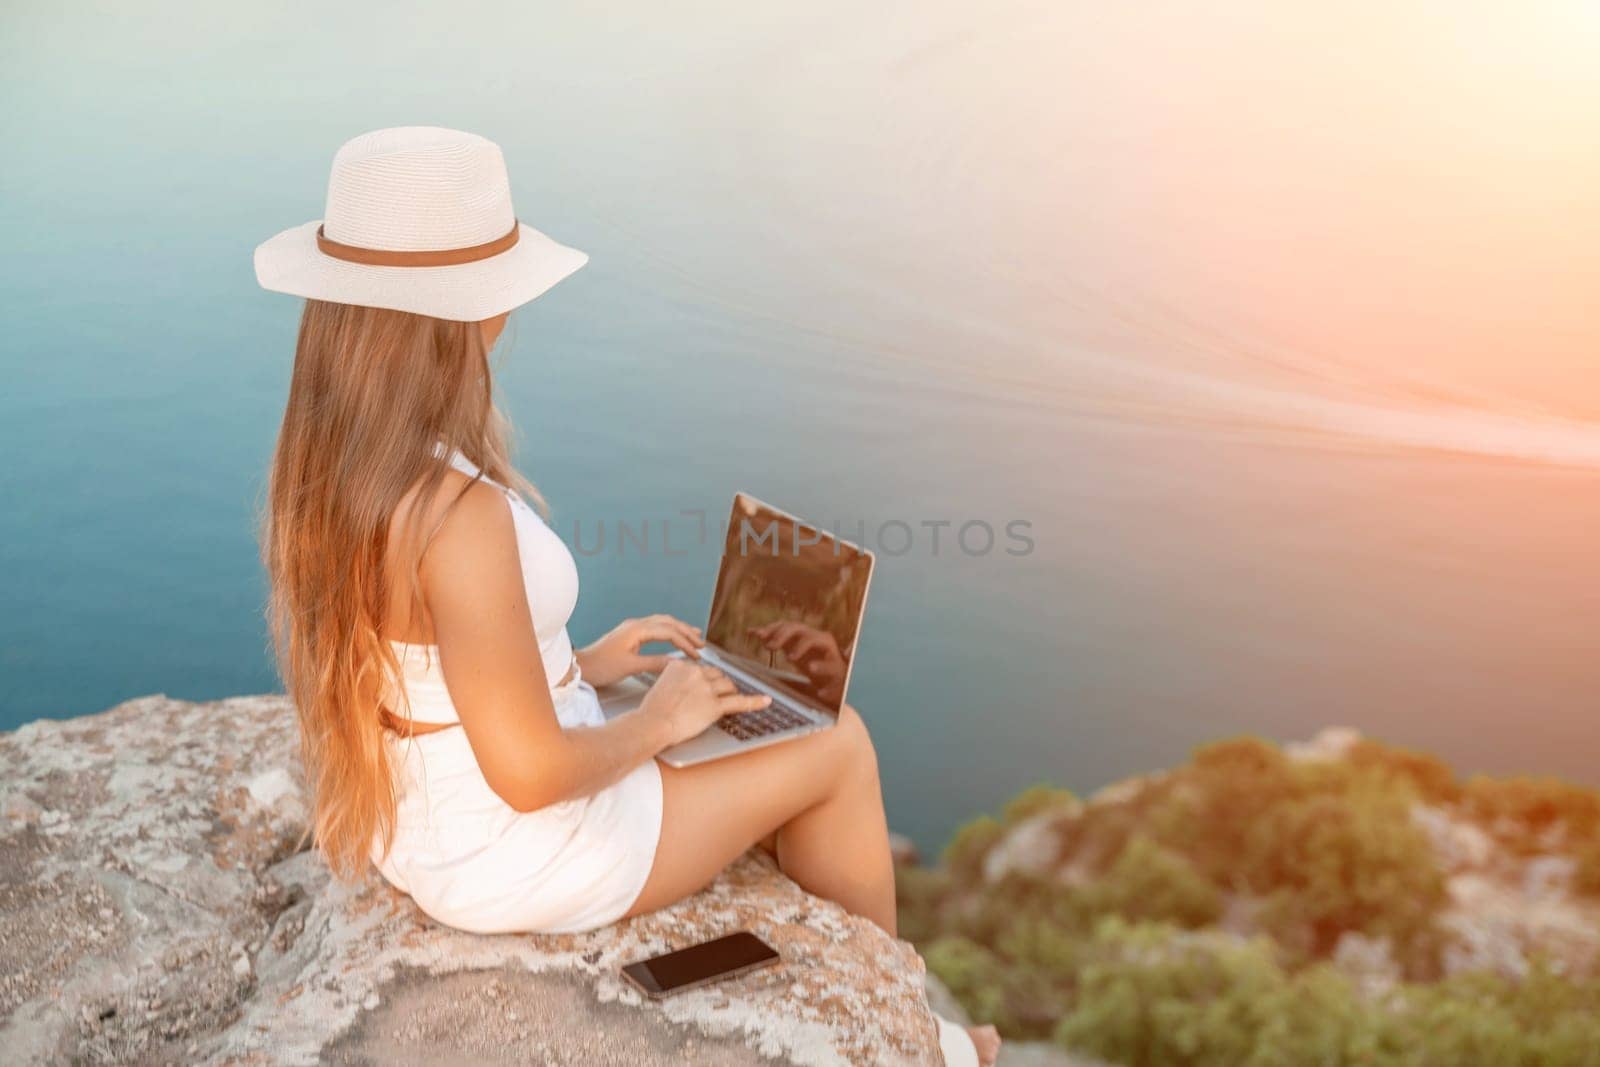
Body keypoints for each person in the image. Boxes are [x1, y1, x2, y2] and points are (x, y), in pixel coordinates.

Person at [254, 126, 998, 1066]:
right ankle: (902, 1027)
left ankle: (880, 998)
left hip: (427, 829)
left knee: (730, 703)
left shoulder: (337, 463)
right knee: (837, 742)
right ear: (466, 312)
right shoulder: (459, 512)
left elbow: (424, 664)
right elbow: (528, 774)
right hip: (521, 852)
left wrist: (581, 666)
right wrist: (657, 723)